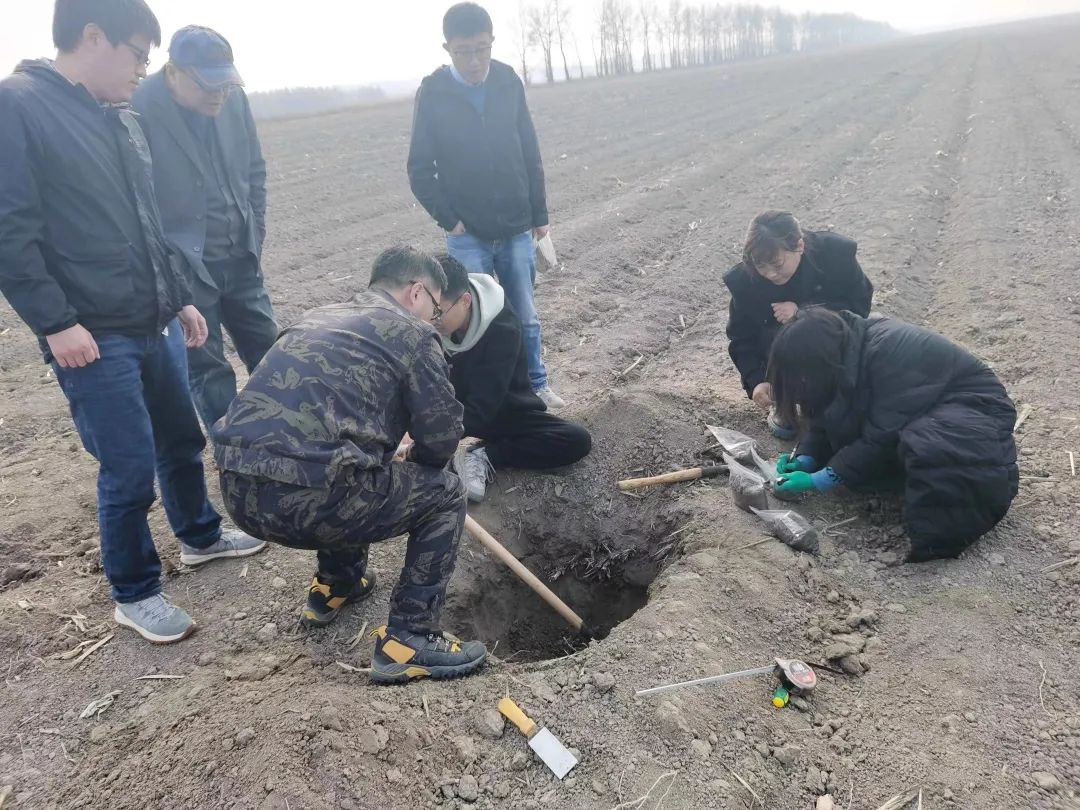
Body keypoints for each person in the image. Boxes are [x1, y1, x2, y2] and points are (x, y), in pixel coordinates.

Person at [0, 0, 265, 645]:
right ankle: (135, 590)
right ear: (93, 36)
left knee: (181, 438)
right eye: (138, 55)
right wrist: (56, 322)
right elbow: (10, 229)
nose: (143, 69)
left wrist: (177, 297)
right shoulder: (21, 105)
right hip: (91, 333)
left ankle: (200, 536)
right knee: (127, 464)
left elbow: (147, 221)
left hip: (152, 317)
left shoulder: (116, 114)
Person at [213, 246, 487, 685]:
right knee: (445, 494)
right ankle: (410, 638)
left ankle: (336, 585)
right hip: (315, 502)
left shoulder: (316, 317)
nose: (435, 320)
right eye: (436, 309)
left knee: (354, 465)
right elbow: (442, 437)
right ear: (417, 292)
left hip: (238, 494)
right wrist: (421, 464)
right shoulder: (413, 334)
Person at [407, 2, 567, 411]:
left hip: (515, 225)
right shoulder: (434, 93)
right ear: (447, 48)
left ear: (492, 42)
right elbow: (419, 168)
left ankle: (535, 385)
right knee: (470, 319)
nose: (475, 60)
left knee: (524, 315)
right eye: (464, 51)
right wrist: (450, 220)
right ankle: (480, 401)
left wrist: (539, 215)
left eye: (482, 48)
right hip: (468, 234)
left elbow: (529, 151)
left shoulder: (508, 81)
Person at [769, 309, 1019, 563]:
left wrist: (819, 480)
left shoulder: (888, 352)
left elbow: (880, 435)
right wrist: (806, 457)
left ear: (820, 361)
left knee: (929, 446)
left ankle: (937, 541)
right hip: (923, 405)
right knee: (862, 443)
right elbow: (826, 412)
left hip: (976, 409)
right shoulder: (844, 353)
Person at [132, 25, 277, 429]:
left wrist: (255, 232)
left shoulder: (233, 100)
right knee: (209, 371)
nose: (219, 94)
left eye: (225, 84)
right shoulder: (138, 107)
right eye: (207, 85)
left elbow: (254, 170)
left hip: (241, 255)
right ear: (173, 72)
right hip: (187, 270)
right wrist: (170, 275)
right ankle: (235, 451)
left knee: (274, 353)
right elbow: (138, 203)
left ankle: (288, 441)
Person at [435, 255, 591, 502]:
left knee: (576, 440)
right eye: (427, 311)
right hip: (452, 409)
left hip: (500, 409)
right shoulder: (428, 321)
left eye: (438, 313)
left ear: (465, 301)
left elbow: (485, 403)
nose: (430, 321)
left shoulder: (501, 325)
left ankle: (483, 456)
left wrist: (435, 438)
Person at [724, 211, 873, 438]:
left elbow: (858, 306)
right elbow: (741, 337)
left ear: (799, 246)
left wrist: (804, 313)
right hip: (779, 350)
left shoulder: (835, 255)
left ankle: (840, 395)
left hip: (832, 342)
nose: (770, 274)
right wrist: (757, 380)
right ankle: (786, 399)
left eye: (777, 264)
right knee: (777, 333)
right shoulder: (746, 281)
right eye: (761, 266)